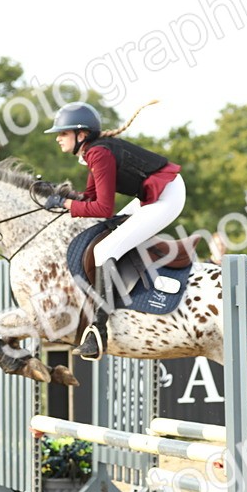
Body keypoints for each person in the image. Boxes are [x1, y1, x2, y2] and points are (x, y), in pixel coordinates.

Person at [43, 100, 184, 359]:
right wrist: (61, 195)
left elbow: (103, 208)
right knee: (109, 237)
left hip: (168, 196)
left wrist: (65, 203)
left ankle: (98, 331)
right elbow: (89, 196)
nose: (58, 139)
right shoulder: (92, 153)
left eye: (62, 133)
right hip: (154, 196)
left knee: (105, 249)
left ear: (81, 134)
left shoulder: (98, 153)